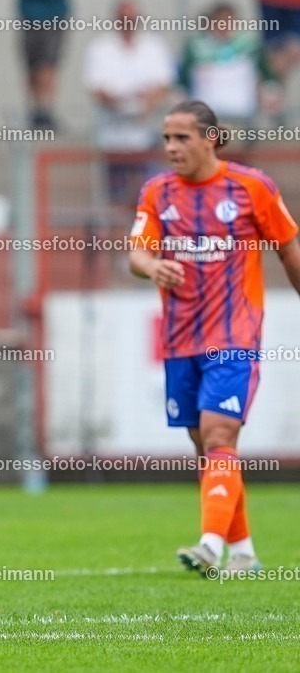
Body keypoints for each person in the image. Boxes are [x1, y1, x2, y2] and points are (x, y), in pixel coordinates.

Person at [127, 100, 300, 576]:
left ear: (211, 138)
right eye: (166, 138)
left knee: (221, 434)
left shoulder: (251, 187)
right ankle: (244, 552)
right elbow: (136, 254)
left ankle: (210, 544)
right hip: (180, 339)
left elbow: (287, 247)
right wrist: (152, 265)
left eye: (181, 137)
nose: (171, 147)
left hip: (235, 334)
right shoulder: (157, 192)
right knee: (206, 446)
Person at [84, 0, 175, 205]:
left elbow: (164, 84)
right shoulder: (100, 48)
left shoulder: (154, 46)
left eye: (132, 18)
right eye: (124, 18)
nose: (128, 22)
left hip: (146, 135)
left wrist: (145, 102)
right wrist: (127, 102)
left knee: (147, 195)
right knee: (115, 197)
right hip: (112, 137)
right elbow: (97, 89)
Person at [179, 2, 280, 130]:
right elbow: (182, 81)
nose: (224, 26)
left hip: (242, 112)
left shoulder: (249, 46)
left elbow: (268, 76)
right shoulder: (196, 47)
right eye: (220, 21)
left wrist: (270, 94)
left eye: (229, 21)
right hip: (206, 115)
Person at [17, 0, 70, 130]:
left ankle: (45, 110)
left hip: (54, 16)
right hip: (29, 15)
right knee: (31, 68)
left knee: (47, 65)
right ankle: (35, 110)